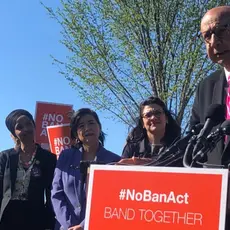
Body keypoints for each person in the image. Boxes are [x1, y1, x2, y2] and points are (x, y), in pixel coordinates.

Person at [51, 108, 121, 230]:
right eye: (81, 126)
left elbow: (112, 201)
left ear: (99, 127)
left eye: (91, 123)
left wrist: (84, 225)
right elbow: (56, 194)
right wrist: (70, 225)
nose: (87, 128)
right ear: (76, 133)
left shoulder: (115, 161)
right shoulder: (65, 156)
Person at [0, 109, 57, 230]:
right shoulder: (5, 157)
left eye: (29, 124)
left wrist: (49, 223)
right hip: (7, 219)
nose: (26, 129)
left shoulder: (48, 158)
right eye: (19, 127)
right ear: (14, 133)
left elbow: (51, 193)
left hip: (36, 219)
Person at [190, 6, 230, 166]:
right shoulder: (206, 87)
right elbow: (193, 146)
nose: (214, 42)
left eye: (221, 31)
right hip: (217, 186)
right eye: (207, 36)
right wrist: (154, 164)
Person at [121, 96, 181, 165]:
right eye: (148, 115)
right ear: (142, 123)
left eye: (158, 113)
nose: (153, 117)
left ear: (166, 118)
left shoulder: (179, 147)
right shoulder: (132, 148)